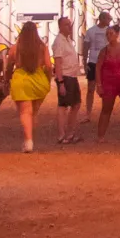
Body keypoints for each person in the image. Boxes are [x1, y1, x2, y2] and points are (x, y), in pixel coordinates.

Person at [7, 23, 52, 153]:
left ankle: (28, 141)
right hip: (38, 80)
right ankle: (29, 138)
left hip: (21, 80)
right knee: (34, 112)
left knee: (25, 112)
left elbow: (9, 67)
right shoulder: (42, 48)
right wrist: (48, 80)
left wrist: (7, 79)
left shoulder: (15, 48)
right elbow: (49, 66)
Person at [94, 25, 120, 140]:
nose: (108, 36)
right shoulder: (104, 51)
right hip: (109, 84)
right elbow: (98, 68)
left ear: (117, 34)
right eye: (107, 34)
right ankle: (101, 136)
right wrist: (99, 85)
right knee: (106, 110)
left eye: (111, 33)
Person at [51, 16, 84, 146]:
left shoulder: (68, 40)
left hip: (72, 76)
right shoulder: (59, 41)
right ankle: (61, 135)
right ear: (60, 27)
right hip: (65, 76)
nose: (69, 27)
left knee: (76, 104)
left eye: (70, 24)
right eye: (66, 25)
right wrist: (61, 83)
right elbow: (58, 64)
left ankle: (70, 133)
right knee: (63, 106)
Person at [82, 11, 111, 121]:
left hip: (107, 62)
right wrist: (85, 63)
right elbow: (85, 47)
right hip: (93, 62)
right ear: (102, 19)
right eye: (108, 18)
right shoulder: (91, 31)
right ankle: (88, 114)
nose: (110, 21)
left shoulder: (110, 31)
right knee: (90, 88)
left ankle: (105, 112)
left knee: (107, 88)